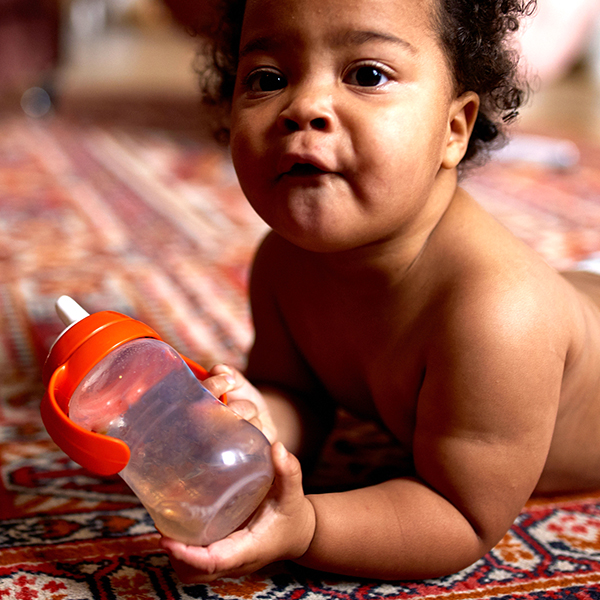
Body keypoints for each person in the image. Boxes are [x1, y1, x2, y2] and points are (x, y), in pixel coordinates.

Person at [160, 0, 600, 583]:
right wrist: (258, 420)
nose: (305, 107)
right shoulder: (283, 262)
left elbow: (460, 514)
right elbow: (296, 390)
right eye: (269, 79)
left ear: (454, 128)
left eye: (367, 75)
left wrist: (308, 525)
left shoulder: (499, 315)